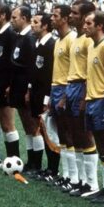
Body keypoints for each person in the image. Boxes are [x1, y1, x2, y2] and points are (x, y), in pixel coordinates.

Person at [61, 0, 95, 193]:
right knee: (76, 135)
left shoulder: (89, 40)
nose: (71, 16)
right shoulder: (76, 38)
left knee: (85, 135)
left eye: (75, 13)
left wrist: (84, 96)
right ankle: (82, 180)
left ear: (84, 16)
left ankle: (91, 183)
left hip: (82, 87)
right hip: (72, 87)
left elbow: (90, 71)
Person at [82, 11, 104, 201]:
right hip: (91, 99)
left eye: (88, 23)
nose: (85, 26)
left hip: (102, 99)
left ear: (99, 26)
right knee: (100, 145)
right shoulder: (93, 46)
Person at [8, 6, 40, 171]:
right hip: (18, 84)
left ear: (24, 18)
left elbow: (31, 66)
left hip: (26, 85)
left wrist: (28, 88)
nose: (12, 21)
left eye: (15, 18)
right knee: (26, 126)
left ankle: (37, 163)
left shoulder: (29, 37)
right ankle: (30, 161)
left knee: (33, 126)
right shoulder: (19, 37)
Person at [27, 12, 58, 180]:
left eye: (36, 22)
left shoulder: (51, 45)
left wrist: (47, 99)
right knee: (41, 129)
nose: (32, 25)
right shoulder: (38, 44)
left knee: (50, 131)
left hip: (46, 94)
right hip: (36, 92)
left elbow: (50, 75)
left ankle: (53, 169)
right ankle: (46, 167)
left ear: (45, 26)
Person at [0, 4, 20, 158]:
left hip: (6, 83)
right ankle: (10, 157)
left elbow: (14, 62)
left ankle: (14, 158)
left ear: (3, 15)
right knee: (3, 122)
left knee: (8, 123)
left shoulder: (11, 34)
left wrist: (11, 85)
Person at [49, 4, 77, 187]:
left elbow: (74, 70)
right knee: (61, 134)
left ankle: (74, 177)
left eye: (55, 15)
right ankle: (66, 174)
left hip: (66, 89)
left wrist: (66, 95)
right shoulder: (58, 40)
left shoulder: (71, 39)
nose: (52, 18)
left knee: (70, 132)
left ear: (65, 19)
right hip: (55, 87)